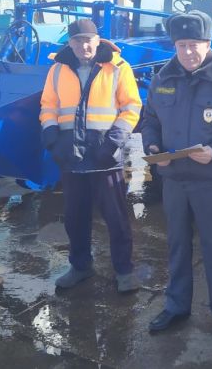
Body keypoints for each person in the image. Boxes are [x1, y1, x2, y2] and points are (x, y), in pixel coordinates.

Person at [140, 10, 212, 345]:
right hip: (173, 179)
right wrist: (151, 142)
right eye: (181, 45)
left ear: (208, 43)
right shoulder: (163, 79)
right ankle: (177, 306)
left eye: (194, 44)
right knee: (176, 245)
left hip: (210, 180)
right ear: (174, 45)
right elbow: (150, 119)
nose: (188, 51)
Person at [39, 19, 142, 293]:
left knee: (116, 218)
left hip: (105, 156)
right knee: (74, 217)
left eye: (88, 40)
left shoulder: (118, 67)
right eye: (77, 41)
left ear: (98, 41)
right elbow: (48, 105)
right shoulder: (57, 70)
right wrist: (51, 137)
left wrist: (114, 143)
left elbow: (132, 106)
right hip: (71, 156)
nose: (83, 46)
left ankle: (124, 271)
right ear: (70, 44)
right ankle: (80, 267)